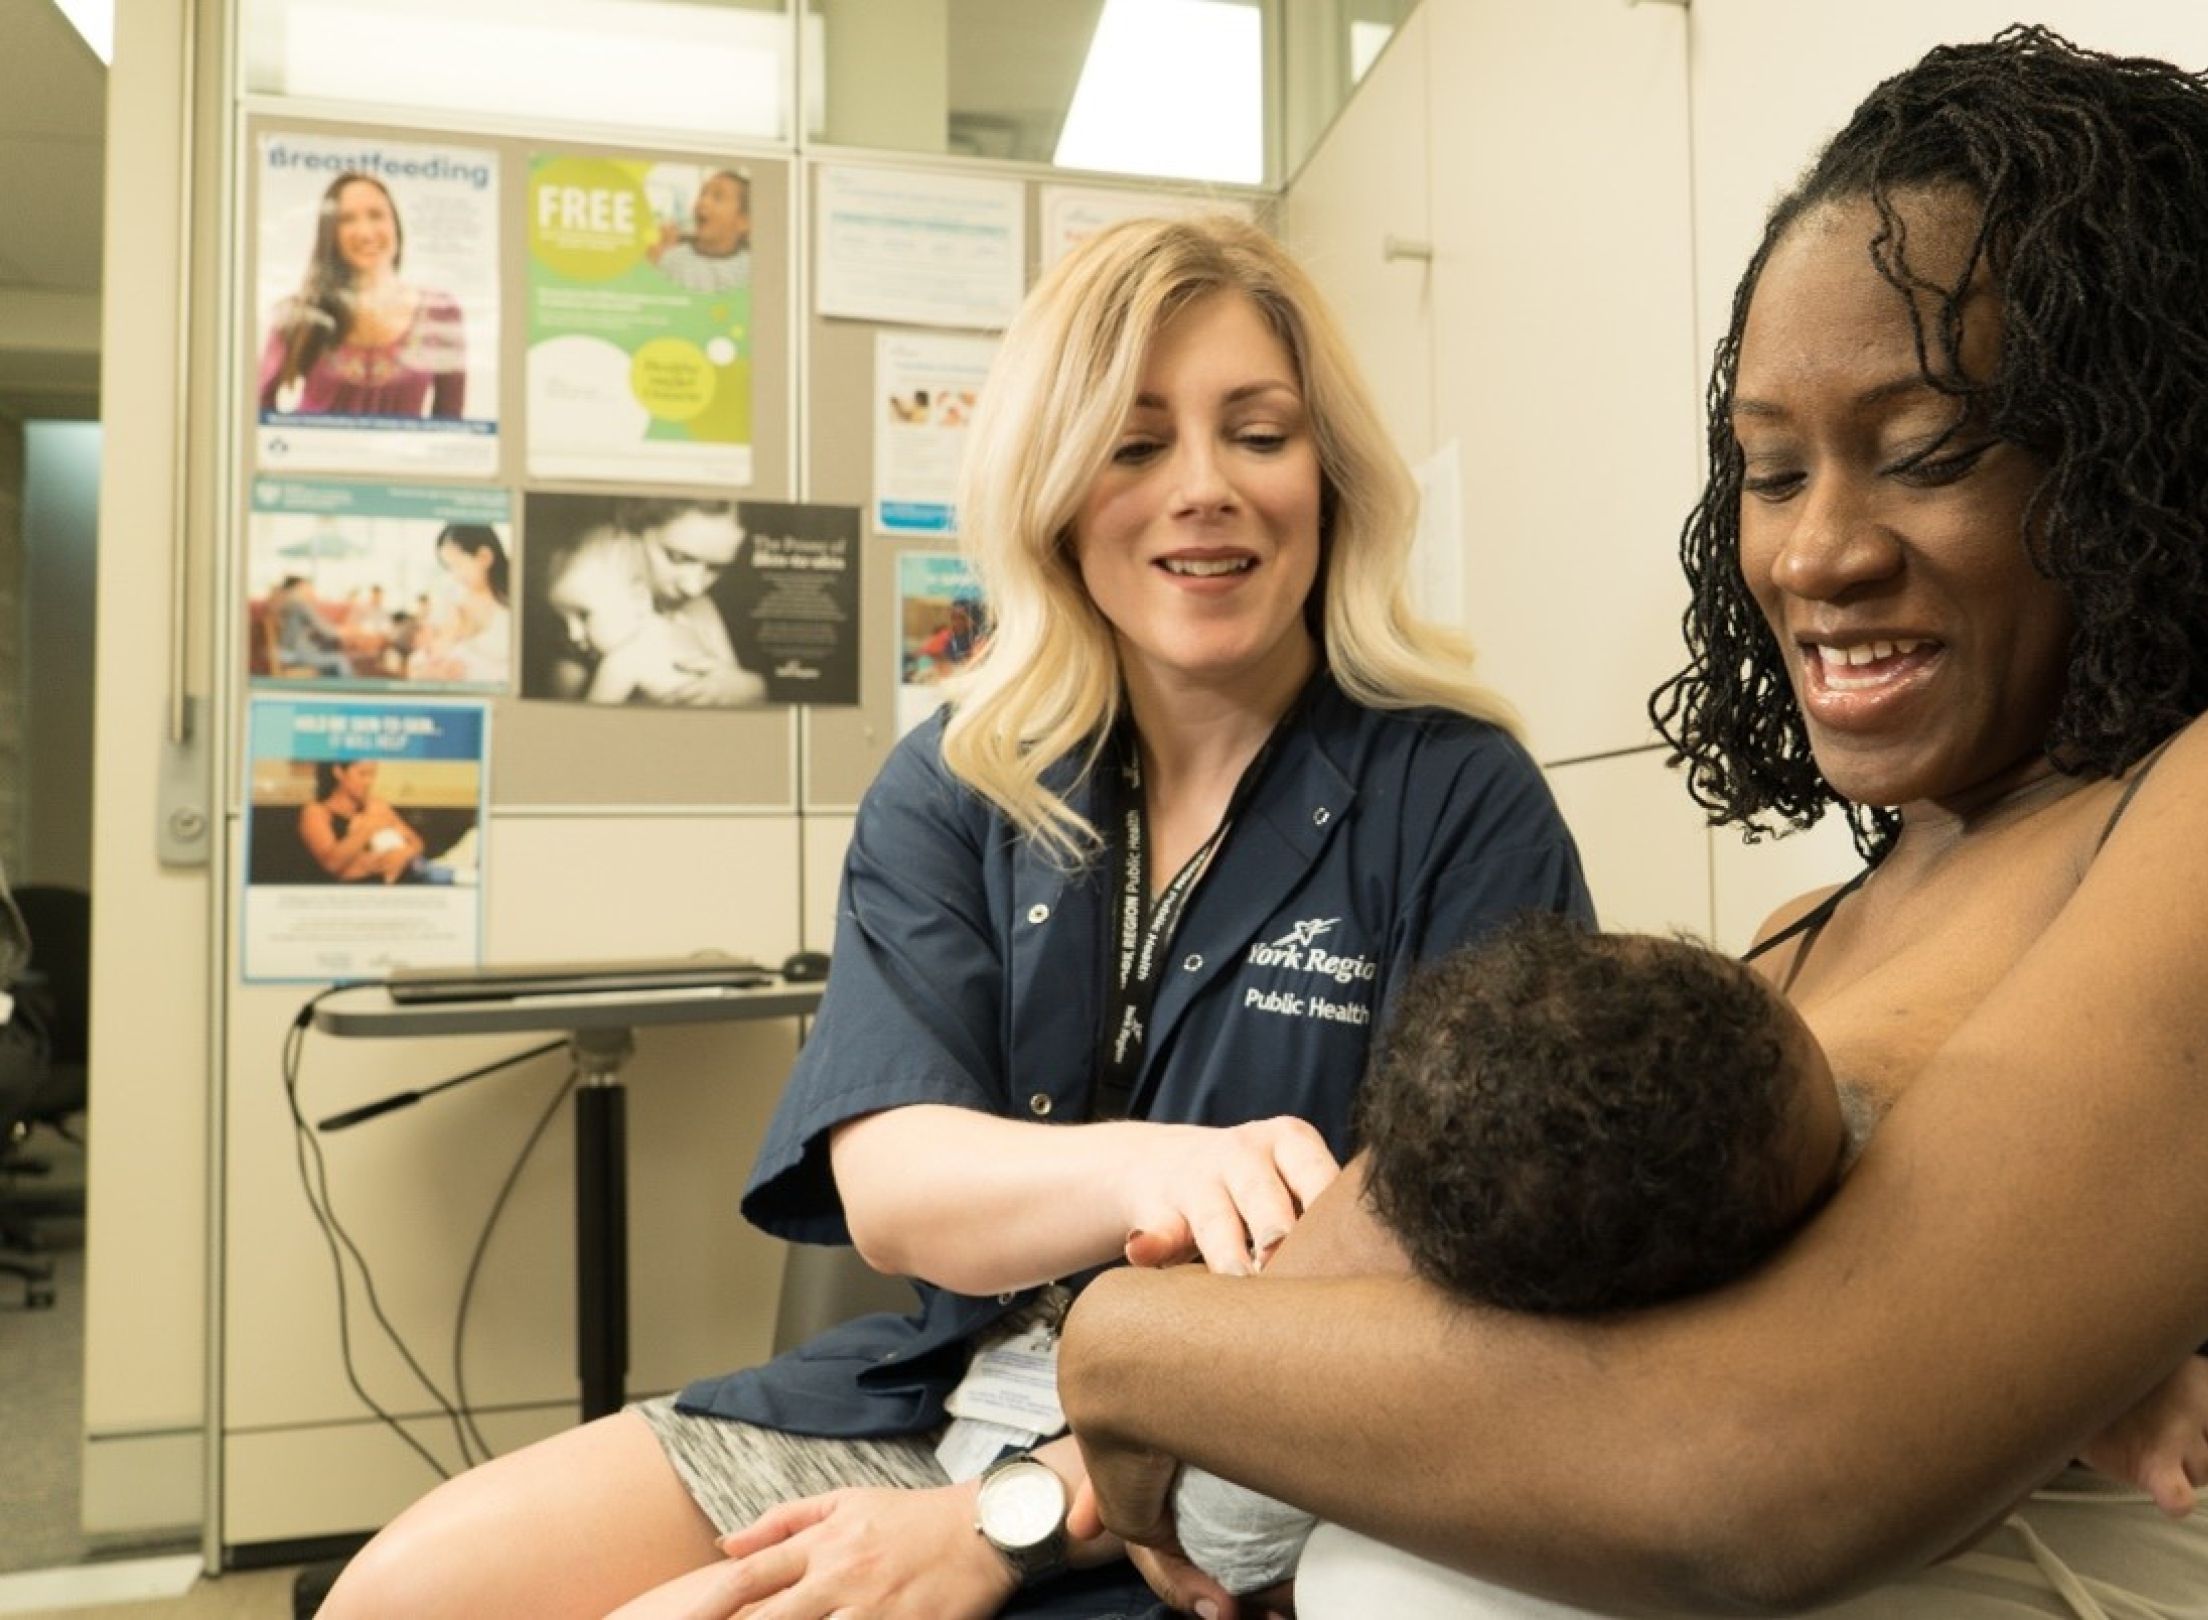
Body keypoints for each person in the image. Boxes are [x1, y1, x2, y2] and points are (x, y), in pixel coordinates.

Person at [1059, 26, 2208, 1620]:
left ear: (2155, 450)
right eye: (1771, 472)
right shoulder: (1810, 929)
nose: (1817, 553)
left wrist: (1132, 1343)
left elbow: (1752, 1471)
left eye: (1929, 455)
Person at [318, 214, 1593, 1620]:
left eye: (1259, 432)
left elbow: (1464, 1289)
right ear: (1052, 491)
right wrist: (1147, 1173)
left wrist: (1009, 1518)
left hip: (1226, 1466)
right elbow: (894, 1186)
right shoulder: (963, 779)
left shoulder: (1459, 800)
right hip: (923, 1392)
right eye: (1135, 441)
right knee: (400, 1597)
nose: (1205, 489)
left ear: (1331, 474)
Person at [1172, 916, 2208, 1601]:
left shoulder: (1733, 1138)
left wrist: (2112, 1373)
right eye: (1843, 1163)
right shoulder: (1397, 1293)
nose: (1866, 1135)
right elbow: (1223, 1532)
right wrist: (2080, 1406)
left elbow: (1989, 1309)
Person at [257, 172, 468, 420]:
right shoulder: (299, 312)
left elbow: (451, 422)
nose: (365, 232)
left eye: (376, 215)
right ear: (330, 233)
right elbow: (258, 406)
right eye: (346, 220)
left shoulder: (440, 310)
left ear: (395, 224)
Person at [542, 530, 702, 704]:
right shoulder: (682, 626)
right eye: (562, 621)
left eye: (583, 615)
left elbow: (587, 724)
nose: (573, 635)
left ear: (639, 599)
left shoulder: (622, 662)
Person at [406, 525, 510, 686]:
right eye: (449, 567)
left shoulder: (512, 604)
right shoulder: (451, 597)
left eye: (458, 565)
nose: (454, 576)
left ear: (485, 557)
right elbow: (421, 659)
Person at [296, 760, 426, 885]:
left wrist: (402, 855)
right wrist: (369, 826)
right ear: (339, 772)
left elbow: (416, 842)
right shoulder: (317, 812)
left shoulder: (376, 805)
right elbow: (332, 864)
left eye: (372, 775)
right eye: (362, 774)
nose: (368, 782)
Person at [650, 169, 754, 294]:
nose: (703, 202)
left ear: (743, 222)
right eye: (702, 194)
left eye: (718, 197)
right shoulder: (672, 260)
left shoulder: (751, 269)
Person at [267, 574, 353, 679]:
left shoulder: (287, 602)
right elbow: (324, 629)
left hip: (286, 651)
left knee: (327, 654)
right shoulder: (299, 603)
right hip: (296, 652)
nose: (309, 590)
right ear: (299, 587)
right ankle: (350, 692)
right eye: (306, 587)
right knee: (340, 660)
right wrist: (344, 632)